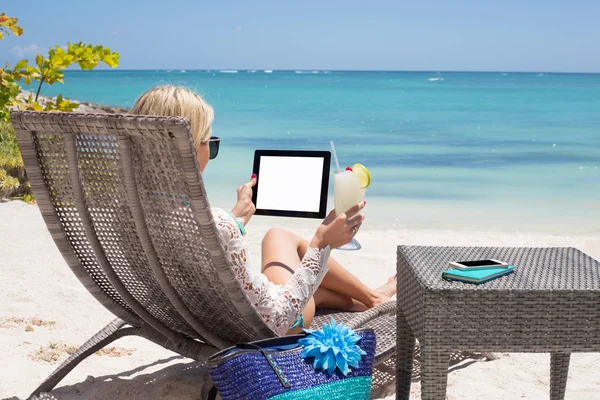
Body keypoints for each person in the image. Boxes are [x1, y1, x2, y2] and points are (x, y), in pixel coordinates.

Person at [130, 85, 396, 335]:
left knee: (276, 235)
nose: (210, 152)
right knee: (284, 240)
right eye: (210, 144)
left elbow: (198, 258)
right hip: (264, 324)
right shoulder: (215, 225)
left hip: (203, 319)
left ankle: (365, 297)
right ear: (186, 148)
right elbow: (279, 320)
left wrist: (236, 220)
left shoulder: (130, 215)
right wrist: (322, 242)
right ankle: (374, 297)